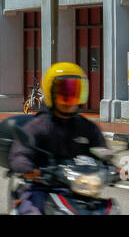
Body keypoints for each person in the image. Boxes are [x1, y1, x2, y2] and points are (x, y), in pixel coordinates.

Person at [7, 62, 106, 215]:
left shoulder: (87, 128)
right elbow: (19, 153)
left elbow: (101, 150)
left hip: (79, 190)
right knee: (32, 211)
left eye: (74, 92)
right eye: (64, 93)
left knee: (109, 209)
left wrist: (113, 167)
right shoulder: (38, 126)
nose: (69, 98)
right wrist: (28, 168)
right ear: (51, 93)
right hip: (42, 188)